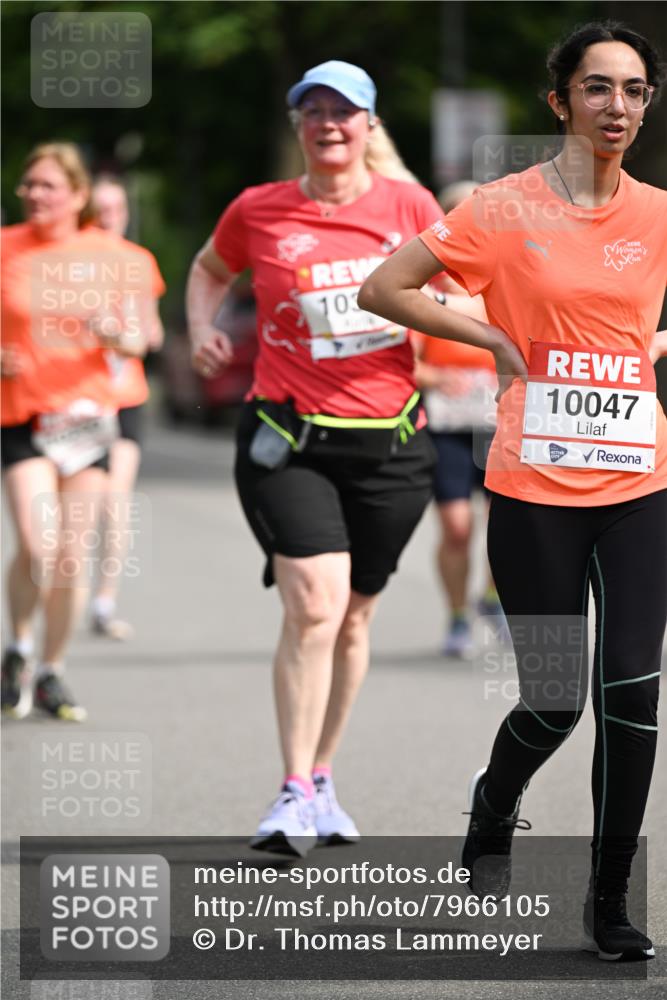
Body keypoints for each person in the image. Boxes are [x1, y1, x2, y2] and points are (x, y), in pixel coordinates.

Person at [359, 22, 666, 961]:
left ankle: (608, 897)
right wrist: (489, 340)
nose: (617, 106)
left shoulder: (659, 213)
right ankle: (494, 805)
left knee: (632, 691)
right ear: (560, 102)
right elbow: (384, 286)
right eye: (598, 88)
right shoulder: (500, 209)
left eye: (635, 90)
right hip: (531, 486)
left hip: (636, 481)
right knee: (551, 702)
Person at [186, 60, 442, 856]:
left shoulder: (409, 206)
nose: (329, 124)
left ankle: (323, 777)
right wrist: (201, 327)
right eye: (314, 111)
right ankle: (292, 788)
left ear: (370, 126)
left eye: (345, 112)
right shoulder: (260, 209)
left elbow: (466, 289)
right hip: (288, 439)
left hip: (392, 445)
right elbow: (206, 268)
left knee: (356, 617)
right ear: (297, 124)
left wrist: (464, 336)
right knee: (315, 606)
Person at [1, 143, 146, 720]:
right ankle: (18, 647)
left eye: (47, 186)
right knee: (38, 546)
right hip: (24, 416)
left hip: (87, 420)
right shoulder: (5, 248)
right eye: (28, 185)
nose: (34, 195)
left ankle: (52, 672)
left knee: (69, 557)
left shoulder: (111, 255)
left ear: (78, 195)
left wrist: (114, 333)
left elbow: (139, 341)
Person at [413, 180, 506, 658]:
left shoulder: (506, 281)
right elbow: (403, 361)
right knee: (455, 527)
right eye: (457, 211)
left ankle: (491, 598)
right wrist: (433, 376)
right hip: (447, 426)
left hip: (500, 423)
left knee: (507, 526)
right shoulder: (422, 286)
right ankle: (456, 618)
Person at [88, 175, 165, 639]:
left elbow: (153, 333)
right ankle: (61, 592)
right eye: (100, 209)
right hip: (73, 397)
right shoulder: (68, 262)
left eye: (116, 208)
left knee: (115, 501)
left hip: (124, 397)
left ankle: (103, 601)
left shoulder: (140, 263)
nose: (109, 217)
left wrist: (134, 335)